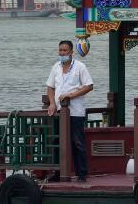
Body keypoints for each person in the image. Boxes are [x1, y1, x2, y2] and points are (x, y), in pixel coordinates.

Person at [46, 40, 94, 182]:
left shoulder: (80, 67)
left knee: (77, 142)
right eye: (60, 50)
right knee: (56, 141)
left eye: (65, 50)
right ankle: (57, 172)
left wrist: (71, 95)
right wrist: (52, 103)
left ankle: (81, 174)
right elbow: (50, 87)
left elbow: (89, 86)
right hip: (59, 112)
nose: (62, 53)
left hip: (75, 112)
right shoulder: (56, 67)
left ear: (71, 52)